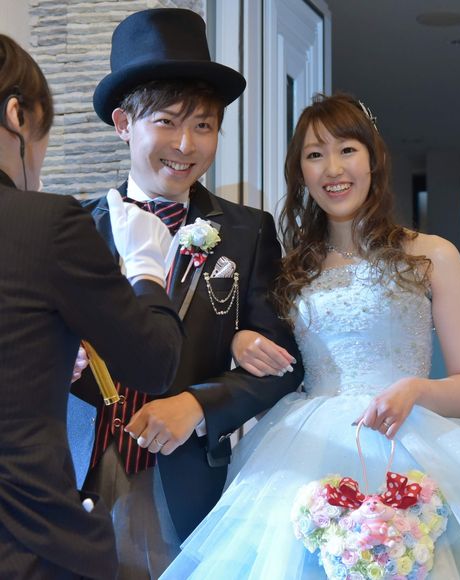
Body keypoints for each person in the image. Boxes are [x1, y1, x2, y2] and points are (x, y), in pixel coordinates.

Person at [161, 94, 460, 579]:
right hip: (305, 449)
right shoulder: (291, 270)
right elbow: (269, 355)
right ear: (301, 173)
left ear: (373, 159)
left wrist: (415, 390)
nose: (333, 169)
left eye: (347, 150)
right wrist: (239, 341)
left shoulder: (431, 256)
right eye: (315, 155)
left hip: (415, 443)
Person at [69, 8, 303, 579]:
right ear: (124, 123)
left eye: (204, 125)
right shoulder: (70, 228)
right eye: (167, 122)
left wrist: (198, 405)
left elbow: (284, 363)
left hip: (185, 482)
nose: (185, 144)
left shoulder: (246, 231)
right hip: (73, 470)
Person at [0, 34, 183, 580]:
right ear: (17, 115)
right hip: (27, 540)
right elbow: (153, 362)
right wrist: (147, 269)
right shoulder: (47, 224)